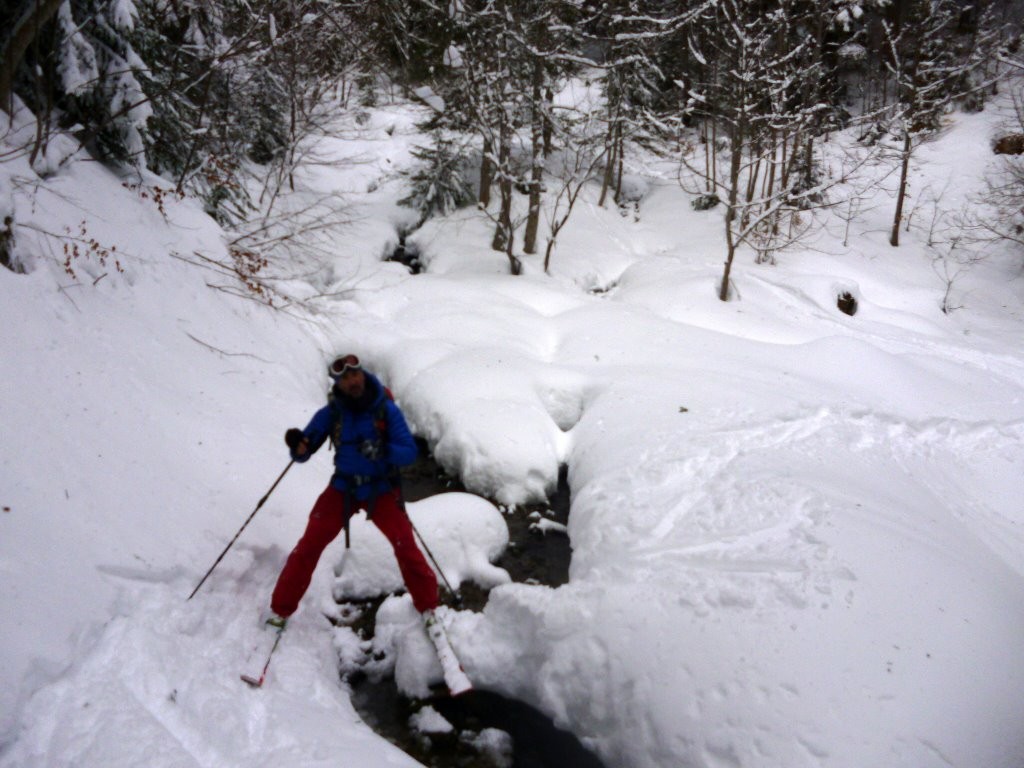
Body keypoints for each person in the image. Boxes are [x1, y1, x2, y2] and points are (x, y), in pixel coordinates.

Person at [266, 354, 439, 628]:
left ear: (362, 373)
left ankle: (429, 607)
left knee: (405, 546)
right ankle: (281, 610)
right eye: (345, 378)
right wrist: (299, 447)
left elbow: (409, 453)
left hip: (381, 488)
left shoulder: (386, 409)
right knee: (309, 546)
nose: (352, 380)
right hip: (343, 488)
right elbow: (305, 451)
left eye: (355, 374)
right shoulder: (332, 413)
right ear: (337, 383)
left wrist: (382, 450)